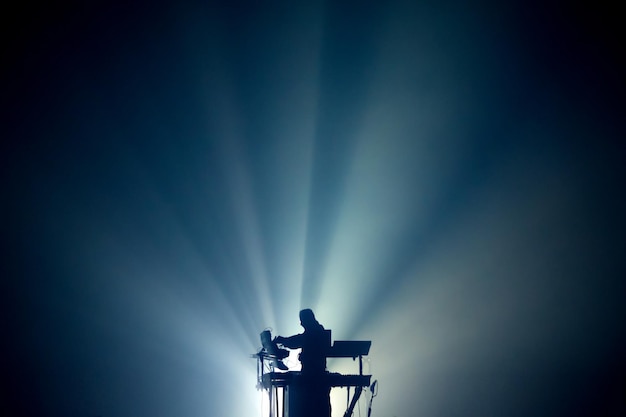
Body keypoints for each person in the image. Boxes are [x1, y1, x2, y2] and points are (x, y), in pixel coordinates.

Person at [274, 309, 331, 417]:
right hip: (316, 377)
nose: (301, 323)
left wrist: (284, 341)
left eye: (302, 320)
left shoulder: (315, 332)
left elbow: (298, 340)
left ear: (307, 319)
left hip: (314, 377)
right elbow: (300, 339)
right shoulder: (317, 330)